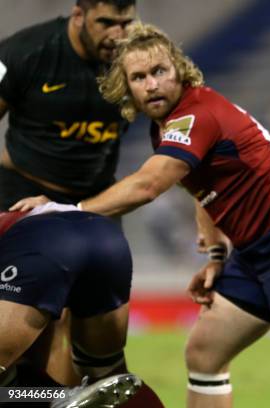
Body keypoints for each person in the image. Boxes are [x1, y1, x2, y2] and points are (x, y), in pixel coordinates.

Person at [11, 23, 270, 408]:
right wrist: (216, 253)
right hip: (255, 253)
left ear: (179, 70)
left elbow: (150, 184)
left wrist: (64, 210)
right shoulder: (166, 125)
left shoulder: (196, 115)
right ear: (125, 85)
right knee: (205, 353)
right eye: (139, 77)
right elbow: (201, 186)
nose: (151, 84)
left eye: (159, 71)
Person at [0, 0, 136, 386]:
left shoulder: (133, 63)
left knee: (81, 324)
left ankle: (59, 399)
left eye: (126, 23)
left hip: (94, 202)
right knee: (30, 322)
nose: (117, 34)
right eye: (106, 22)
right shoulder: (25, 52)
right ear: (79, 15)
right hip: (21, 193)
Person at [0, 206, 162, 407]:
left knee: (8, 384)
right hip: (103, 233)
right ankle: (59, 398)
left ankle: (55, 399)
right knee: (108, 374)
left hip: (40, 244)